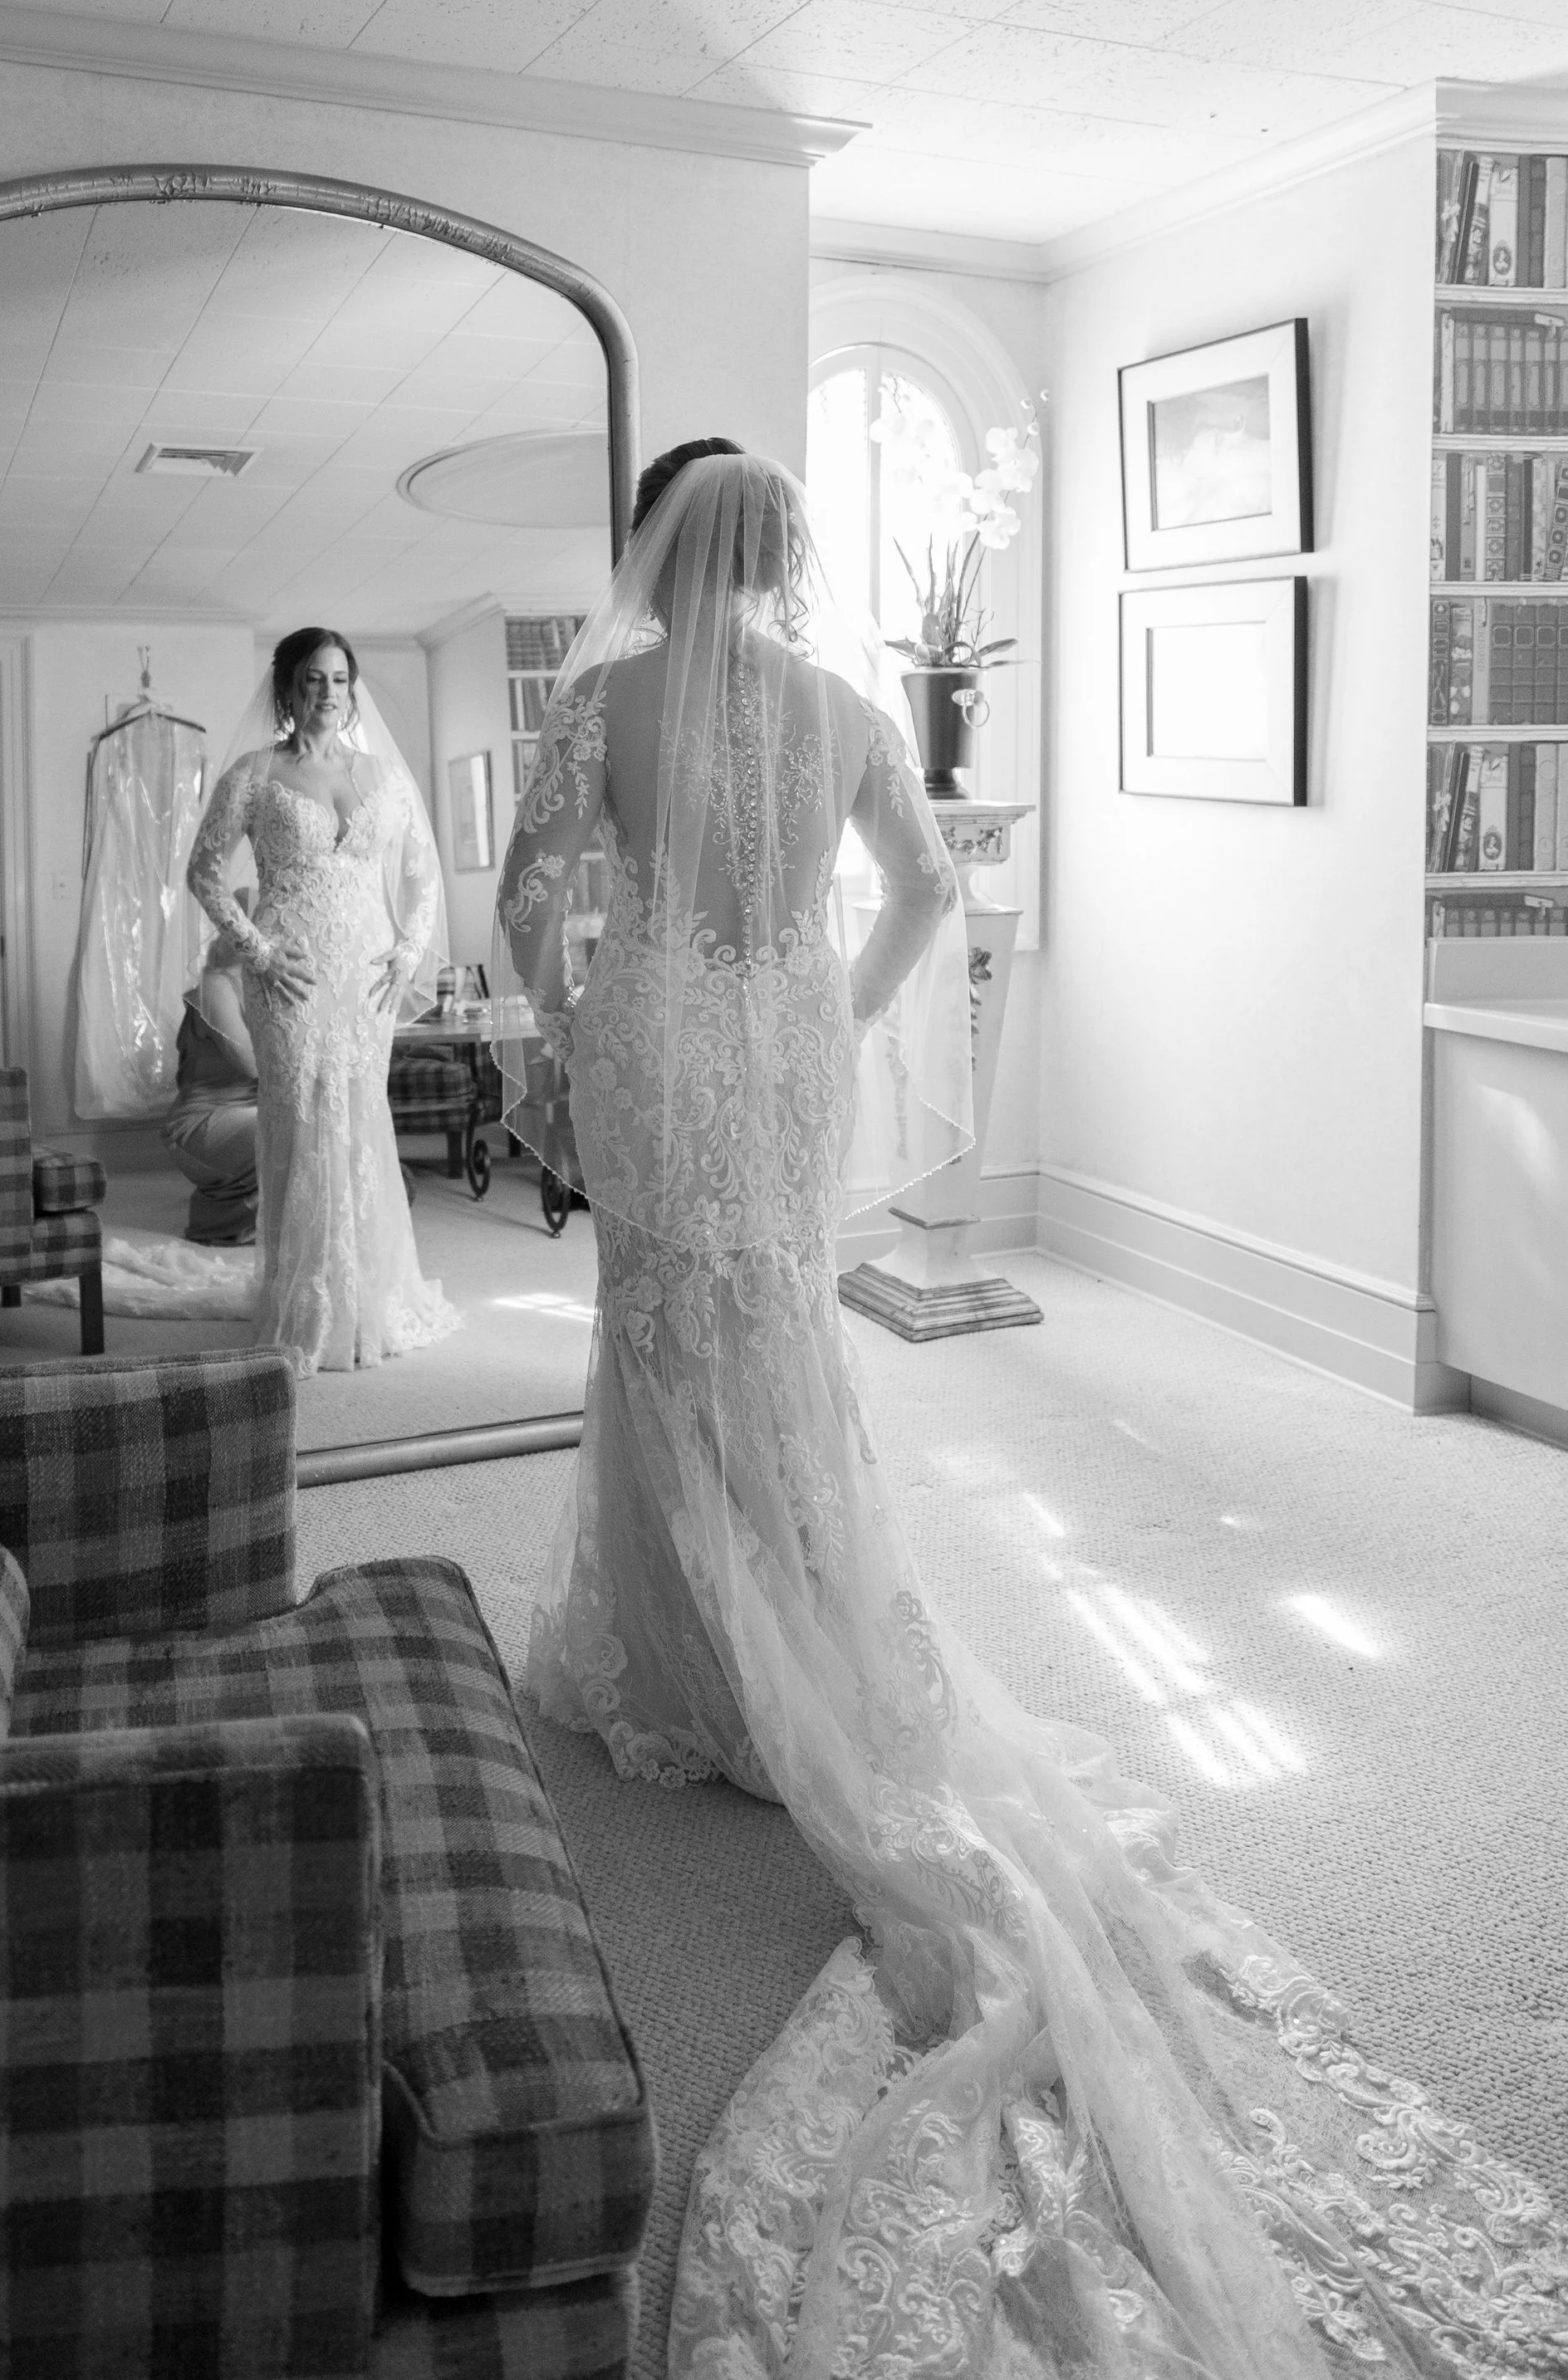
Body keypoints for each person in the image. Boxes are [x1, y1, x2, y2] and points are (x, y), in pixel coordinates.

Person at [493, 442, 1566, 2378]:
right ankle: (795, 1646)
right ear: (788, 550)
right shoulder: (838, 704)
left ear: (653, 545)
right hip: (787, 1028)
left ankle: (687, 1664)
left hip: (655, 1036)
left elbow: (522, 899)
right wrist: (832, 988)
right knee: (777, 1330)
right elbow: (922, 880)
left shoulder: (600, 700)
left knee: (657, 1331)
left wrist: (568, 1021)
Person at [189, 626, 456, 1372]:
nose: (328, 694)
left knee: (362, 1118)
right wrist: (260, 952)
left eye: (339, 679)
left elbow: (422, 877)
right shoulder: (255, 773)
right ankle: (304, 1302)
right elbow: (205, 871)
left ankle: (369, 1296)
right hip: (289, 976)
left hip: (367, 979)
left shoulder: (384, 776)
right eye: (313, 680)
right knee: (303, 1121)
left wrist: (408, 951)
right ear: (288, 688)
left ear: (353, 687)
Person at [161, 920, 258, 1246]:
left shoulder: (268, 985)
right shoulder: (217, 983)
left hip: (254, 1112)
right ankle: (231, 1221)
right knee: (292, 1129)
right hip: (204, 1121)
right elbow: (252, 1067)